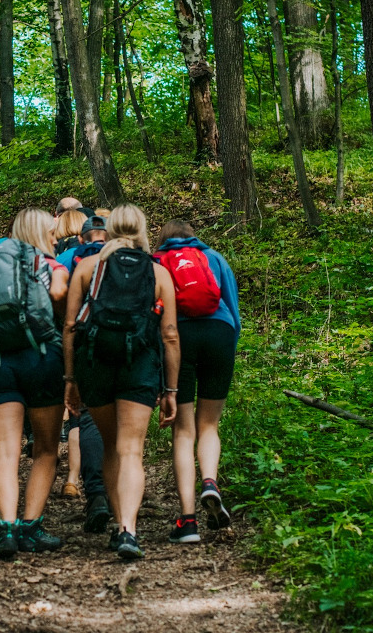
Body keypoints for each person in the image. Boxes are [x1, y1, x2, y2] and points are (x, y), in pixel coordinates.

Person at [63, 204, 180, 560]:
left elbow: (69, 327)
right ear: (143, 230)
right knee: (131, 449)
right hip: (140, 364)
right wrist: (171, 389)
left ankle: (118, 524)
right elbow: (171, 334)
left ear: (109, 230)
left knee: (112, 443)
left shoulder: (86, 267)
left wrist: (70, 379)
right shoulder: (158, 273)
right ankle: (128, 529)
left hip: (95, 363)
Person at [0, 208, 70, 558]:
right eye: (52, 232)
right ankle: (30, 528)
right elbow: (59, 301)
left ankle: (5, 529)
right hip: (42, 360)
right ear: (40, 233)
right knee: (46, 448)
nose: (57, 238)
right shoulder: (51, 266)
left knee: (6, 452)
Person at [155, 219, 241, 543]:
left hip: (180, 340)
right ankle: (209, 481)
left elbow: (155, 319)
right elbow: (234, 312)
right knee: (209, 426)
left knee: (183, 430)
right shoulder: (214, 258)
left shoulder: (158, 263)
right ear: (194, 237)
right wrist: (226, 352)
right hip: (219, 335)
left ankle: (187, 522)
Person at [56, 214, 113, 533]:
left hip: (86, 345)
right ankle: (125, 514)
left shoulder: (68, 259)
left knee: (87, 419)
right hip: (132, 350)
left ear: (82, 238)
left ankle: (96, 494)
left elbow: (62, 310)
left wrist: (68, 374)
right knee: (126, 436)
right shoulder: (128, 255)